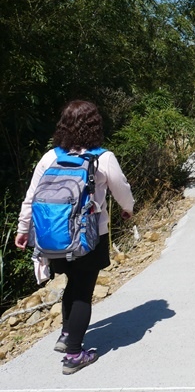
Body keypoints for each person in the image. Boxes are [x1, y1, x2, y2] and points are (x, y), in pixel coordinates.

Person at [15, 100, 135, 375]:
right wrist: (127, 210)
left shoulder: (51, 156)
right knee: (83, 291)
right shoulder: (103, 157)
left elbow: (31, 197)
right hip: (90, 238)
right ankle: (74, 354)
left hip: (52, 238)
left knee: (72, 282)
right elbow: (122, 191)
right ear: (95, 124)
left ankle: (66, 333)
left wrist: (23, 231)